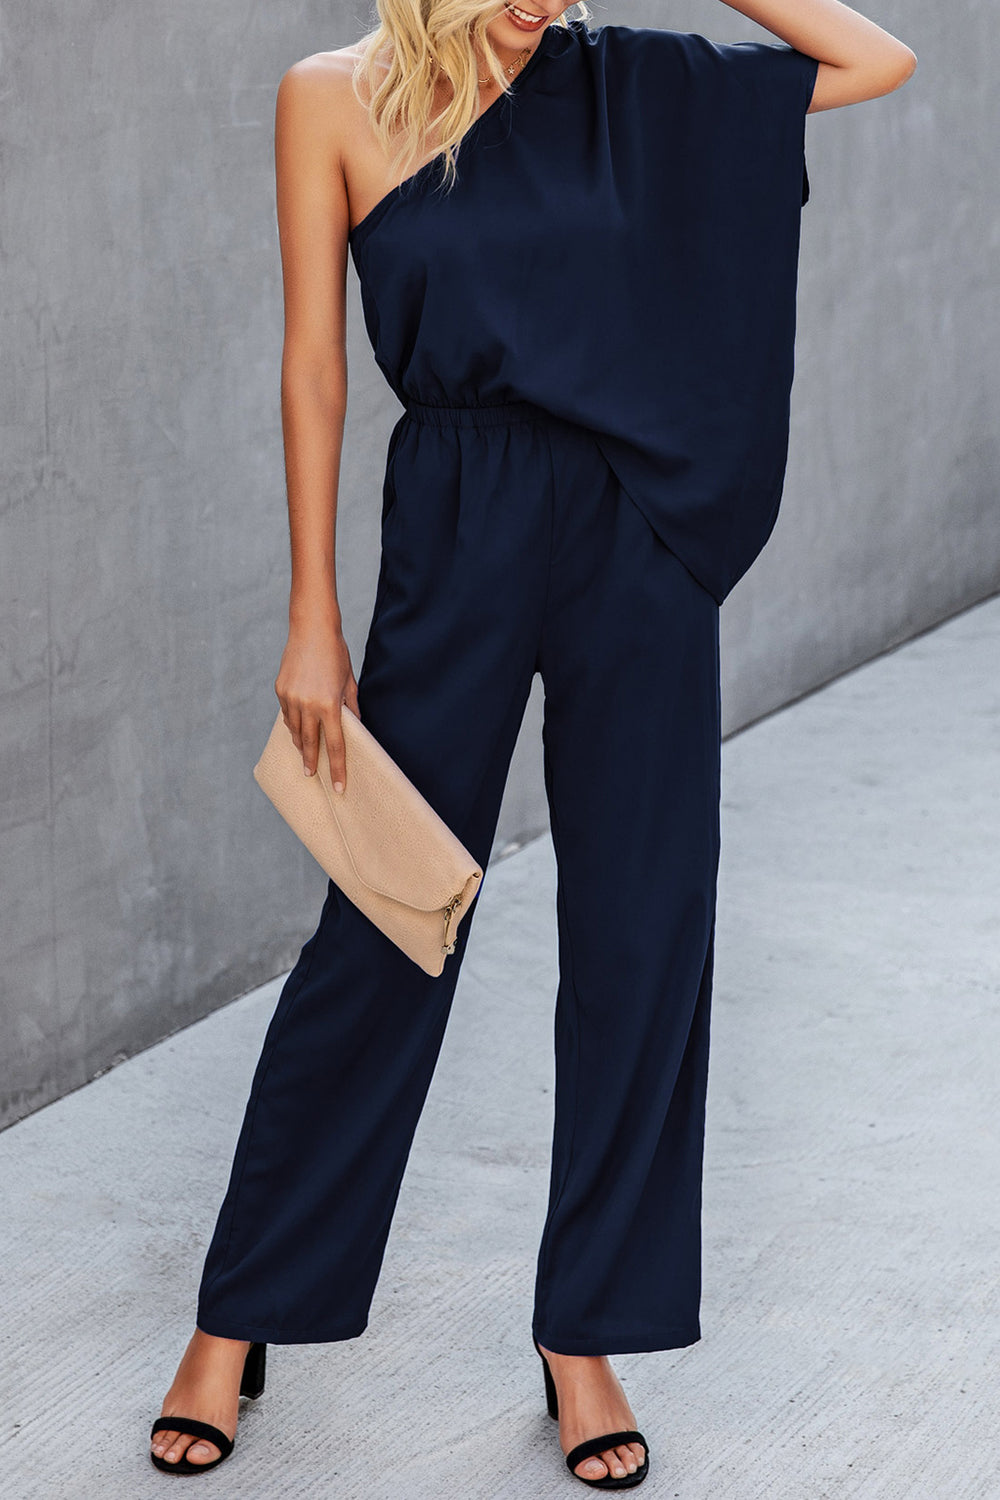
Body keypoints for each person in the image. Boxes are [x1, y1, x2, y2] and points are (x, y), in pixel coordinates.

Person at [149, 0, 915, 1487]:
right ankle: (237, 1314)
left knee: (641, 926)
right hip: (458, 510)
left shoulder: (635, 82)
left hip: (638, 529)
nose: (539, 1)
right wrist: (314, 613)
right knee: (386, 916)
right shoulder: (330, 100)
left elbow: (872, 57)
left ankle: (585, 1331)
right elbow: (315, 367)